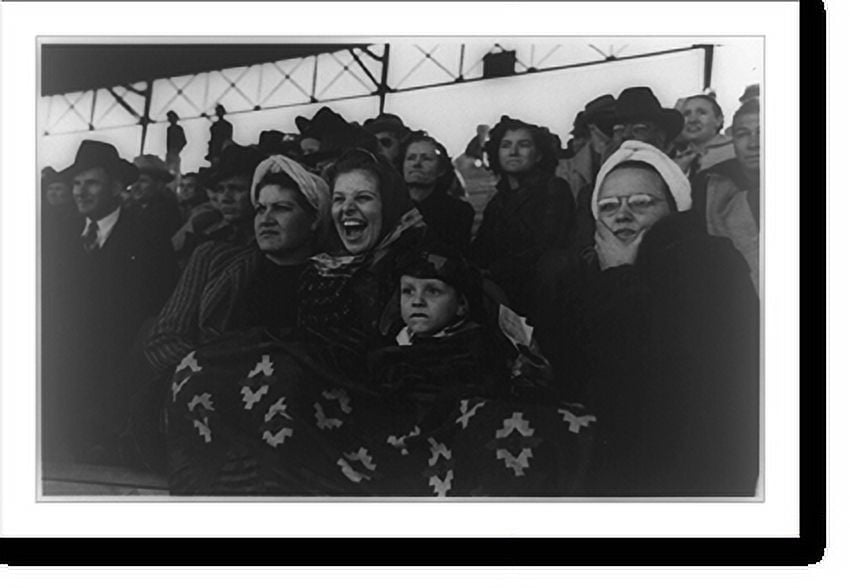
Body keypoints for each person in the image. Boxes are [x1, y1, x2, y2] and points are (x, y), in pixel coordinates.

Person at [536, 140, 759, 496]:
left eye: (641, 203)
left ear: (674, 207)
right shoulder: (595, 274)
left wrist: (621, 277)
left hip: (692, 471)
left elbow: (654, 373)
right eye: (608, 207)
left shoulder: (707, 261)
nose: (622, 215)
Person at [42, 140, 177, 464]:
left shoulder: (148, 238)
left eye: (92, 183)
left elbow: (160, 309)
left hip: (119, 370)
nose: (80, 192)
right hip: (58, 367)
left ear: (117, 187)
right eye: (76, 183)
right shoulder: (55, 233)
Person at [146, 155, 330, 376]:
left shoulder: (331, 282)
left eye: (281, 208)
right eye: (261, 209)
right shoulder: (214, 259)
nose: (266, 219)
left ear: (314, 220)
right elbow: (164, 340)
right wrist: (217, 375)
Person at [469, 115, 575, 316]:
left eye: (523, 145)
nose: (513, 152)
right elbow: (480, 248)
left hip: (539, 292)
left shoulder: (555, 189)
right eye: (506, 145)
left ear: (539, 155)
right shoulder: (497, 202)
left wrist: (493, 272)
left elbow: (548, 244)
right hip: (498, 288)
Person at [691, 99, 760, 288]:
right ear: (733, 141)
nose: (754, 143)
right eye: (743, 134)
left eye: (763, 132)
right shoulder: (709, 184)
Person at [171, 144, 265, 266]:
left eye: (236, 189)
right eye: (220, 189)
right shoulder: (206, 229)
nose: (225, 198)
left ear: (257, 192)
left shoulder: (269, 238)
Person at [401, 131, 475, 252]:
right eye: (411, 158)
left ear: (441, 170)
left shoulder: (459, 213)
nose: (417, 163)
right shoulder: (390, 208)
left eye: (426, 159)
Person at [672, 94, 735, 178]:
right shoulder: (674, 160)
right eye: (686, 114)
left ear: (718, 120)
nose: (692, 120)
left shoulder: (735, 151)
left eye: (702, 113)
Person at [127, 154, 183, 243]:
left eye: (143, 181)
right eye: (134, 181)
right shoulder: (128, 208)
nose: (135, 186)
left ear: (159, 185)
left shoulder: (167, 214)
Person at [165, 110, 187, 178]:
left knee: (175, 171)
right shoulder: (169, 129)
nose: (170, 119)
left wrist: (177, 150)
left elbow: (184, 141)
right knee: (168, 171)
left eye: (171, 117)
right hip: (170, 153)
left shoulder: (179, 129)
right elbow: (168, 142)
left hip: (174, 153)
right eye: (169, 118)